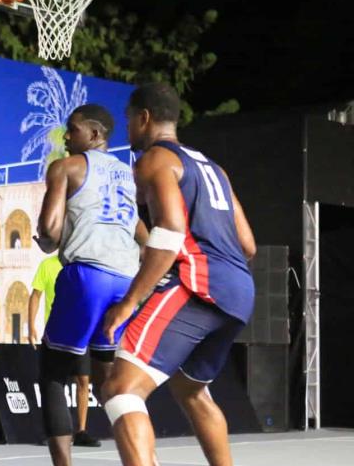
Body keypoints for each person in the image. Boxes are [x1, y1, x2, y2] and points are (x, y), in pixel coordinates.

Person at [100, 83, 256, 466]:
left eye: (128, 121)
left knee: (121, 390)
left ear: (144, 118)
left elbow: (168, 234)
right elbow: (248, 245)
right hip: (239, 290)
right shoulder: (212, 168)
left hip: (197, 283)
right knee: (190, 389)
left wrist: (129, 303)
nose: (128, 129)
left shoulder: (154, 160)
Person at [34, 104, 148, 466]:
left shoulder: (67, 167)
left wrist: (49, 243)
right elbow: (142, 235)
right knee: (108, 379)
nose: (66, 136)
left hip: (89, 278)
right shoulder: (129, 175)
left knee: (53, 373)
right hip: (126, 281)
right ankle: (141, 458)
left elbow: (50, 232)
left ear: (95, 135)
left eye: (73, 129)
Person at [26, 254, 100, 448]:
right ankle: (55, 431)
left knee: (83, 380)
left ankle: (81, 431)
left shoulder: (83, 265)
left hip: (82, 331)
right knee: (55, 382)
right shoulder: (47, 265)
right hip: (56, 331)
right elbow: (36, 295)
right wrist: (30, 326)